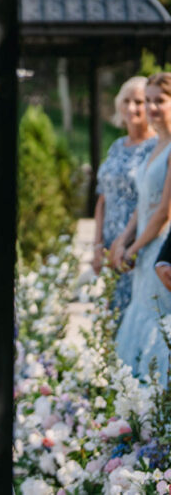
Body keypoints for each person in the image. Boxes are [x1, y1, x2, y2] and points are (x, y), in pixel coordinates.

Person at [112, 72, 171, 384]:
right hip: (143, 250)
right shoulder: (156, 146)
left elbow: (164, 211)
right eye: (148, 100)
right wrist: (123, 238)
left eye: (159, 101)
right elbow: (143, 204)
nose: (151, 107)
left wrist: (133, 249)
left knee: (158, 326)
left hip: (160, 249)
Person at [92, 77, 157, 318]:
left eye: (139, 102)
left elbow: (151, 199)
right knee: (112, 316)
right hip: (110, 246)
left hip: (136, 244)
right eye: (127, 101)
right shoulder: (117, 146)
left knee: (133, 316)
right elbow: (102, 198)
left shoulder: (157, 147)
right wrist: (98, 245)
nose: (132, 108)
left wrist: (123, 242)